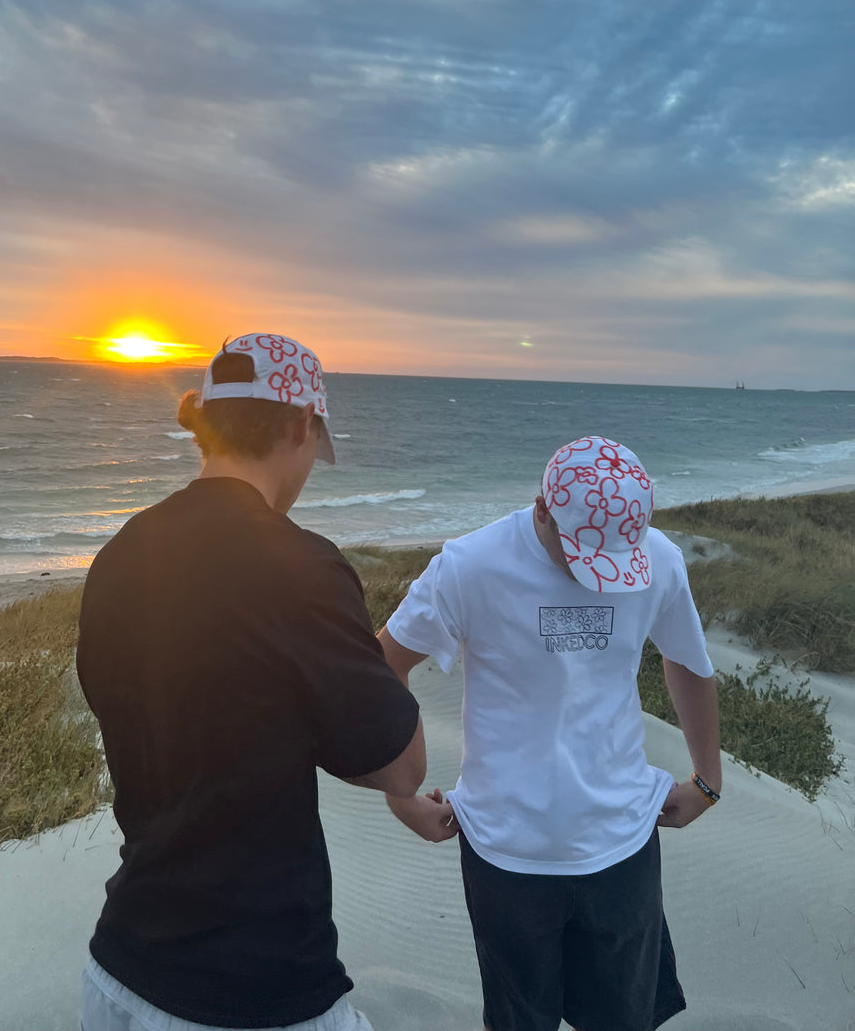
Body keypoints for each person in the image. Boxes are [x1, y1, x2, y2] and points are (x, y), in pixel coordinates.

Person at [77, 332, 425, 1031]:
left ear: (208, 423)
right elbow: (401, 767)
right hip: (254, 988)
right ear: (301, 425)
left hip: (120, 962)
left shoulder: (117, 554)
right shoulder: (302, 566)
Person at [378, 435, 720, 1031]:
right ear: (542, 509)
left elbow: (687, 659)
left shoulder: (657, 558)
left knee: (625, 1020)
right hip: (506, 851)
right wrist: (399, 793)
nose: (600, 574)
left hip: (623, 841)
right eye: (585, 552)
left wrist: (708, 780)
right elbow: (384, 666)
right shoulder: (470, 566)